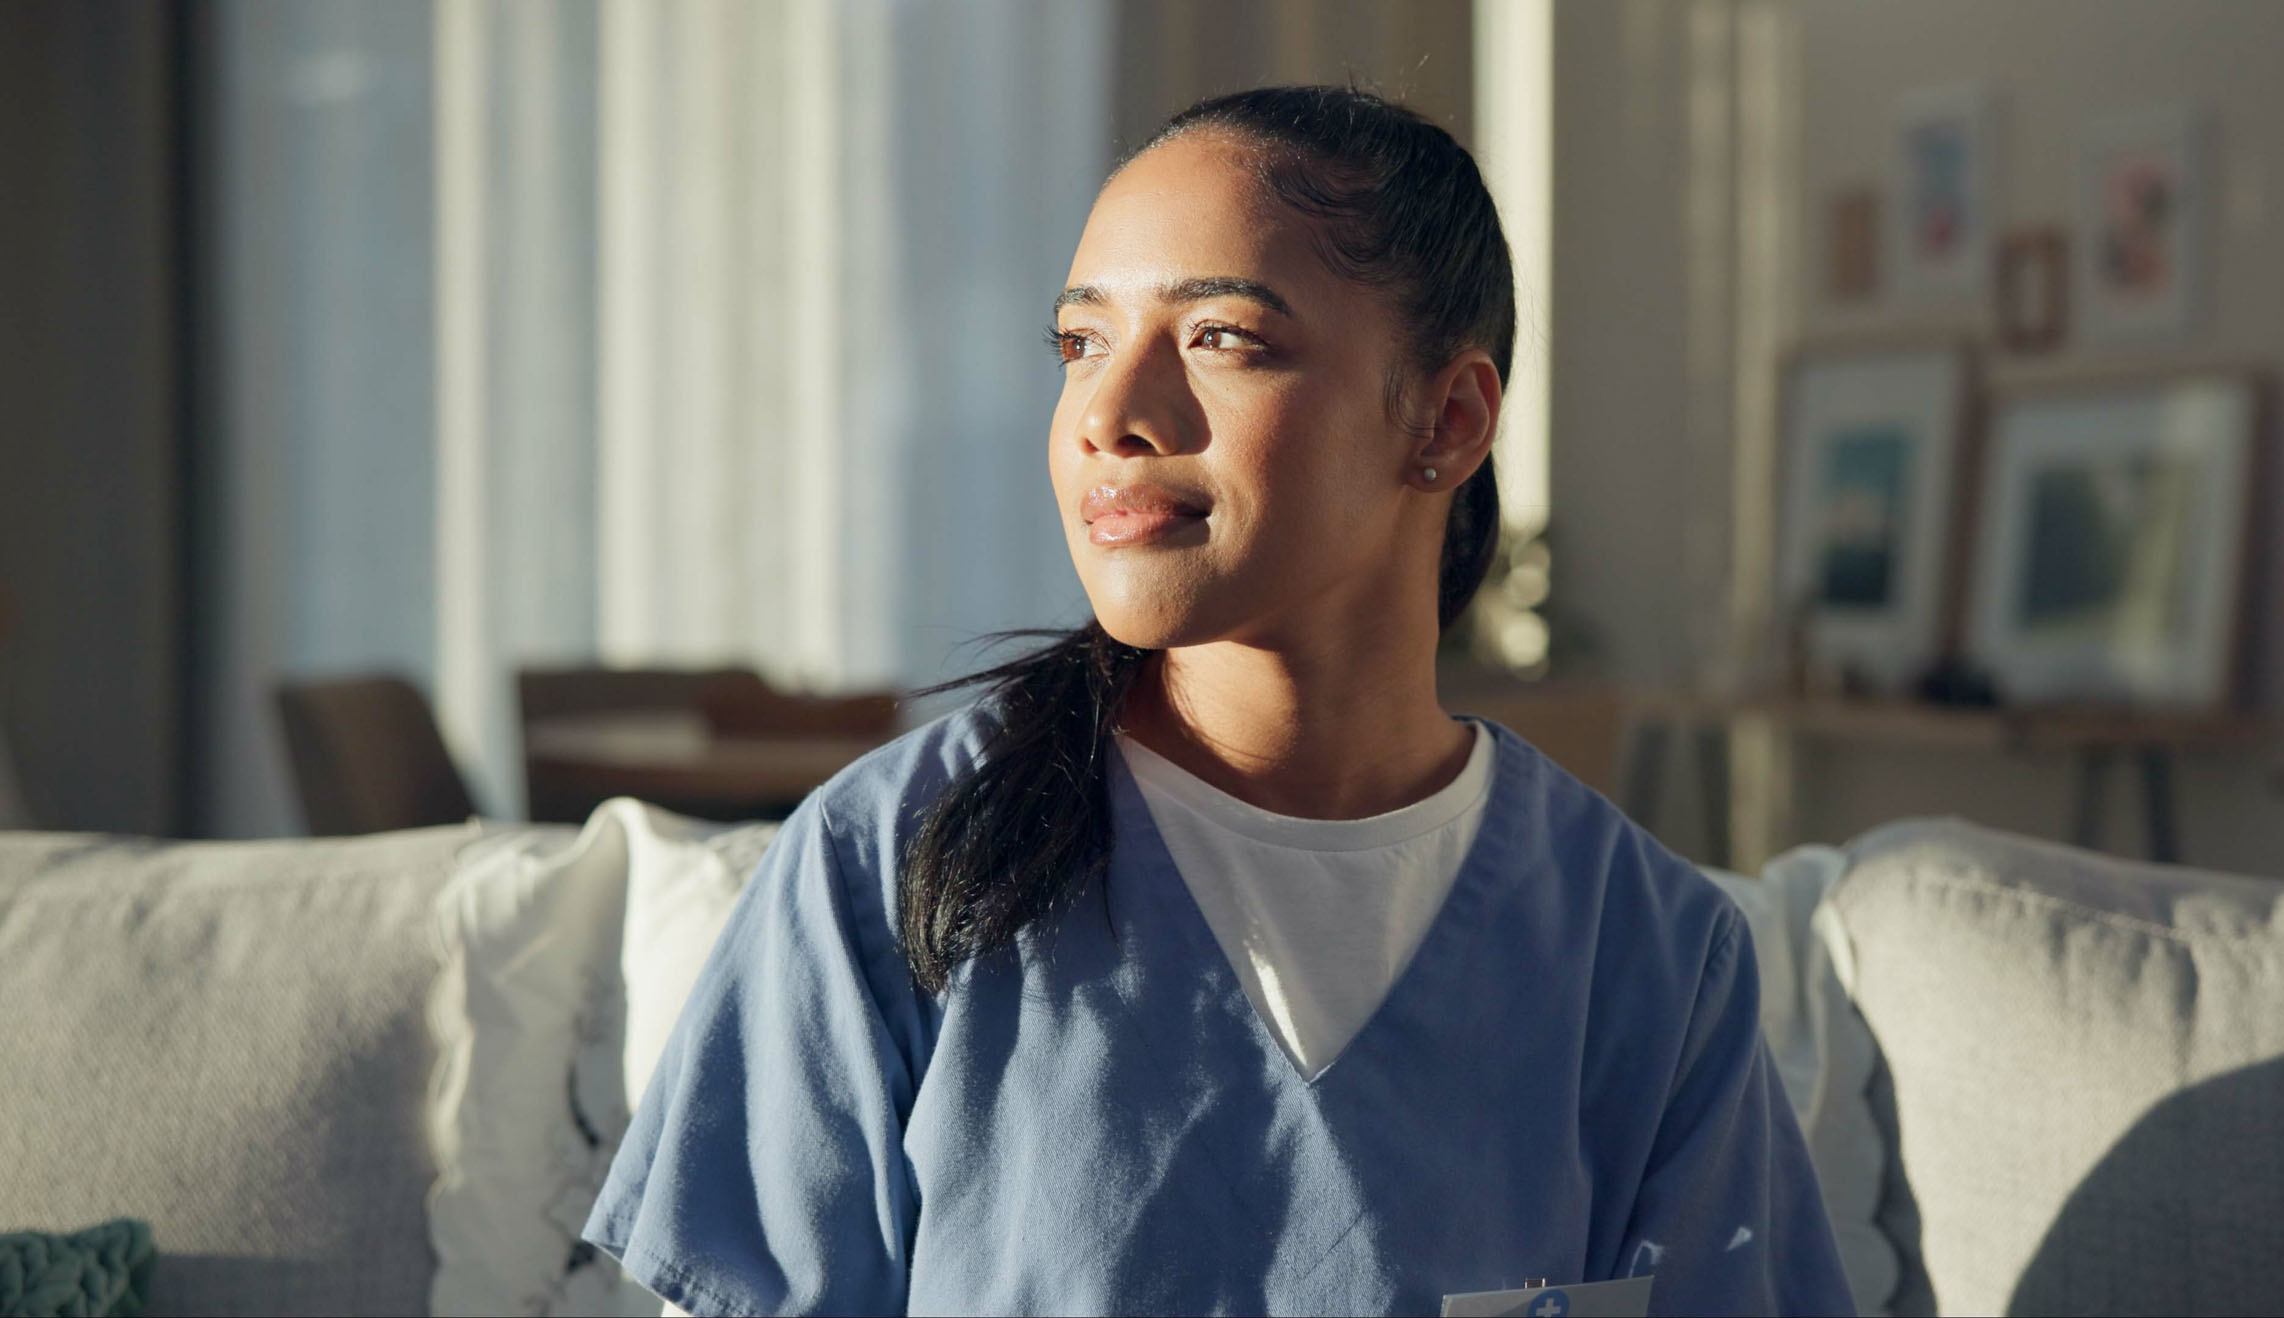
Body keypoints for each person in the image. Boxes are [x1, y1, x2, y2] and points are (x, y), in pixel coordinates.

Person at [585, 85, 1853, 1317]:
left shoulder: (1649, 956)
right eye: (1081, 343)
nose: (1109, 415)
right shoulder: (886, 862)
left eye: (1220, 338)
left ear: (1447, 420)